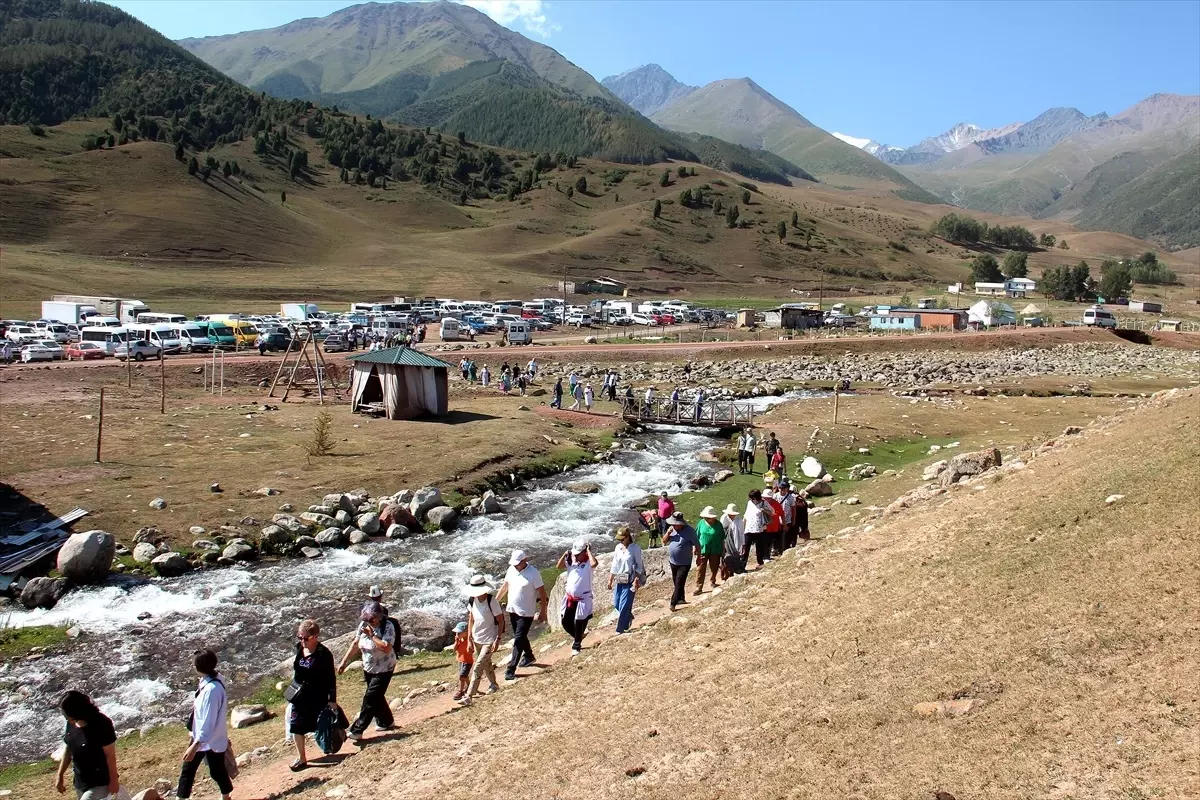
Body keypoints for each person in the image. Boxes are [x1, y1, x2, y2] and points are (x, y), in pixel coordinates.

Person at [176, 649, 234, 800]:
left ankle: (226, 794)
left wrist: (195, 745)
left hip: (207, 738)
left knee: (216, 770)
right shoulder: (209, 683)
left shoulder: (212, 690)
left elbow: (208, 721)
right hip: (203, 737)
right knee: (188, 770)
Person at [336, 602, 397, 742]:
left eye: (371, 619)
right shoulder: (364, 625)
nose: (369, 622)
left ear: (379, 617)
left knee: (370, 698)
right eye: (366, 619)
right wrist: (344, 662)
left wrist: (372, 636)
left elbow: (386, 647)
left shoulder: (388, 626)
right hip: (369, 667)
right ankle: (386, 722)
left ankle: (357, 730)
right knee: (376, 696)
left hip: (384, 668)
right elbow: (356, 643)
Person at [56, 690, 129, 800]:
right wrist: (60, 775)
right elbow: (68, 749)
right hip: (80, 782)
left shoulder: (102, 724)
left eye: (67, 715)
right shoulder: (71, 724)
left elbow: (110, 755)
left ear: (76, 711)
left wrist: (114, 781)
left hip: (101, 782)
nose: (66, 718)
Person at [287, 619, 337, 771]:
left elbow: (331, 678)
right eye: (299, 637)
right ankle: (302, 758)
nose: (302, 641)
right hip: (300, 695)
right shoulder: (299, 648)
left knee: (322, 725)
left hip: (317, 695)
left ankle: (330, 744)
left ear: (315, 637)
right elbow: (297, 672)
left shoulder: (324, 654)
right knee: (295, 726)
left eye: (305, 638)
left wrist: (332, 700)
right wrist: (290, 692)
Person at [497, 550, 547, 682]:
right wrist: (495, 603)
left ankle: (511, 669)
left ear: (525, 560)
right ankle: (529, 656)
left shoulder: (533, 573)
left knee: (518, 639)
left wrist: (543, 611)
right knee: (520, 636)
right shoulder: (511, 569)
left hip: (526, 612)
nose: (515, 565)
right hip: (512, 610)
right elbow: (505, 586)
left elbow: (542, 592)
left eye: (517, 563)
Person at [459, 574, 505, 705]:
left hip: (489, 639)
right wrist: (469, 639)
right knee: (486, 664)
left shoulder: (492, 601)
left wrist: (498, 638)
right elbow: (471, 619)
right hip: (477, 638)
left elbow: (500, 620)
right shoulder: (472, 601)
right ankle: (494, 685)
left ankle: (469, 695)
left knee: (478, 666)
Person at [555, 540, 597, 655]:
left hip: (583, 598)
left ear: (584, 552)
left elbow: (594, 564)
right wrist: (565, 554)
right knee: (565, 621)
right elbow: (558, 566)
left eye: (578, 554)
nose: (576, 556)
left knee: (579, 621)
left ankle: (577, 644)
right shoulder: (571, 562)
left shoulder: (588, 563)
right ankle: (578, 636)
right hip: (570, 598)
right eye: (575, 554)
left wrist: (588, 551)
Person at [608, 526, 645, 634]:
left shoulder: (635, 548)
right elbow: (614, 564)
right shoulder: (618, 548)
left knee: (624, 605)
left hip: (630, 580)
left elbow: (639, 565)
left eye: (622, 539)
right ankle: (628, 615)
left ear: (628, 537)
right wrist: (610, 579)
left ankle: (620, 629)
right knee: (616, 603)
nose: (620, 541)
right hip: (620, 579)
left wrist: (637, 578)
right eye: (619, 539)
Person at [662, 512, 698, 612]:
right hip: (673, 561)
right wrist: (668, 533)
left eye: (675, 524)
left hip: (685, 562)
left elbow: (697, 544)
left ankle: (673, 603)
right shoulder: (671, 530)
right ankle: (681, 598)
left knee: (679, 582)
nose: (673, 525)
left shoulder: (690, 531)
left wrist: (699, 556)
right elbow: (664, 541)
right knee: (677, 582)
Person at [694, 506, 724, 593]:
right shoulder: (701, 523)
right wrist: (695, 548)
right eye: (706, 518)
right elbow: (696, 536)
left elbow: (722, 538)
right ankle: (698, 587)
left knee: (714, 566)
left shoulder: (718, 524)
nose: (708, 519)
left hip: (715, 549)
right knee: (700, 568)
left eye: (710, 518)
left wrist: (723, 550)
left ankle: (713, 580)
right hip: (703, 549)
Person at [743, 490, 771, 569]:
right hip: (748, 529)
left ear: (755, 498)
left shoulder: (764, 503)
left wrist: (764, 510)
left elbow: (772, 512)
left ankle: (760, 563)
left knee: (759, 548)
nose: (751, 500)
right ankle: (743, 564)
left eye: (752, 499)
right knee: (746, 548)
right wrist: (743, 526)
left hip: (760, 530)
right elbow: (746, 515)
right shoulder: (749, 503)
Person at [719, 503, 746, 577]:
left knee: (735, 556)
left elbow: (741, 533)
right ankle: (725, 573)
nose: (731, 516)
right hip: (726, 541)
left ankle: (734, 571)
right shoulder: (723, 518)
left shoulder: (739, 521)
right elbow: (721, 530)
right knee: (725, 557)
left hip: (735, 541)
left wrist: (743, 544)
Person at [451, 622, 472, 702]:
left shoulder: (469, 641)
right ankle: (470, 686)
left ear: (466, 633)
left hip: (467, 661)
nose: (457, 634)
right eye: (456, 633)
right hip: (460, 660)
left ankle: (461, 691)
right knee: (465, 676)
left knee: (462, 676)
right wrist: (456, 642)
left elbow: (471, 650)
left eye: (459, 633)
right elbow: (454, 649)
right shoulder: (459, 640)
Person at [763, 488, 786, 557]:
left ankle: (775, 552)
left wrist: (784, 525)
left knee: (772, 541)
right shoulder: (761, 503)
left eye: (768, 498)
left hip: (774, 527)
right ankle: (765, 555)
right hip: (764, 528)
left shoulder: (776, 504)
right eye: (765, 498)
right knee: (765, 542)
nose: (766, 499)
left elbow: (781, 514)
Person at [780, 483, 799, 552]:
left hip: (787, 520)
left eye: (783, 489)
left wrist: (793, 520)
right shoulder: (775, 496)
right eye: (780, 488)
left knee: (785, 537)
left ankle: (785, 550)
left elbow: (794, 510)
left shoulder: (791, 498)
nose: (781, 490)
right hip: (778, 521)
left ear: (787, 489)